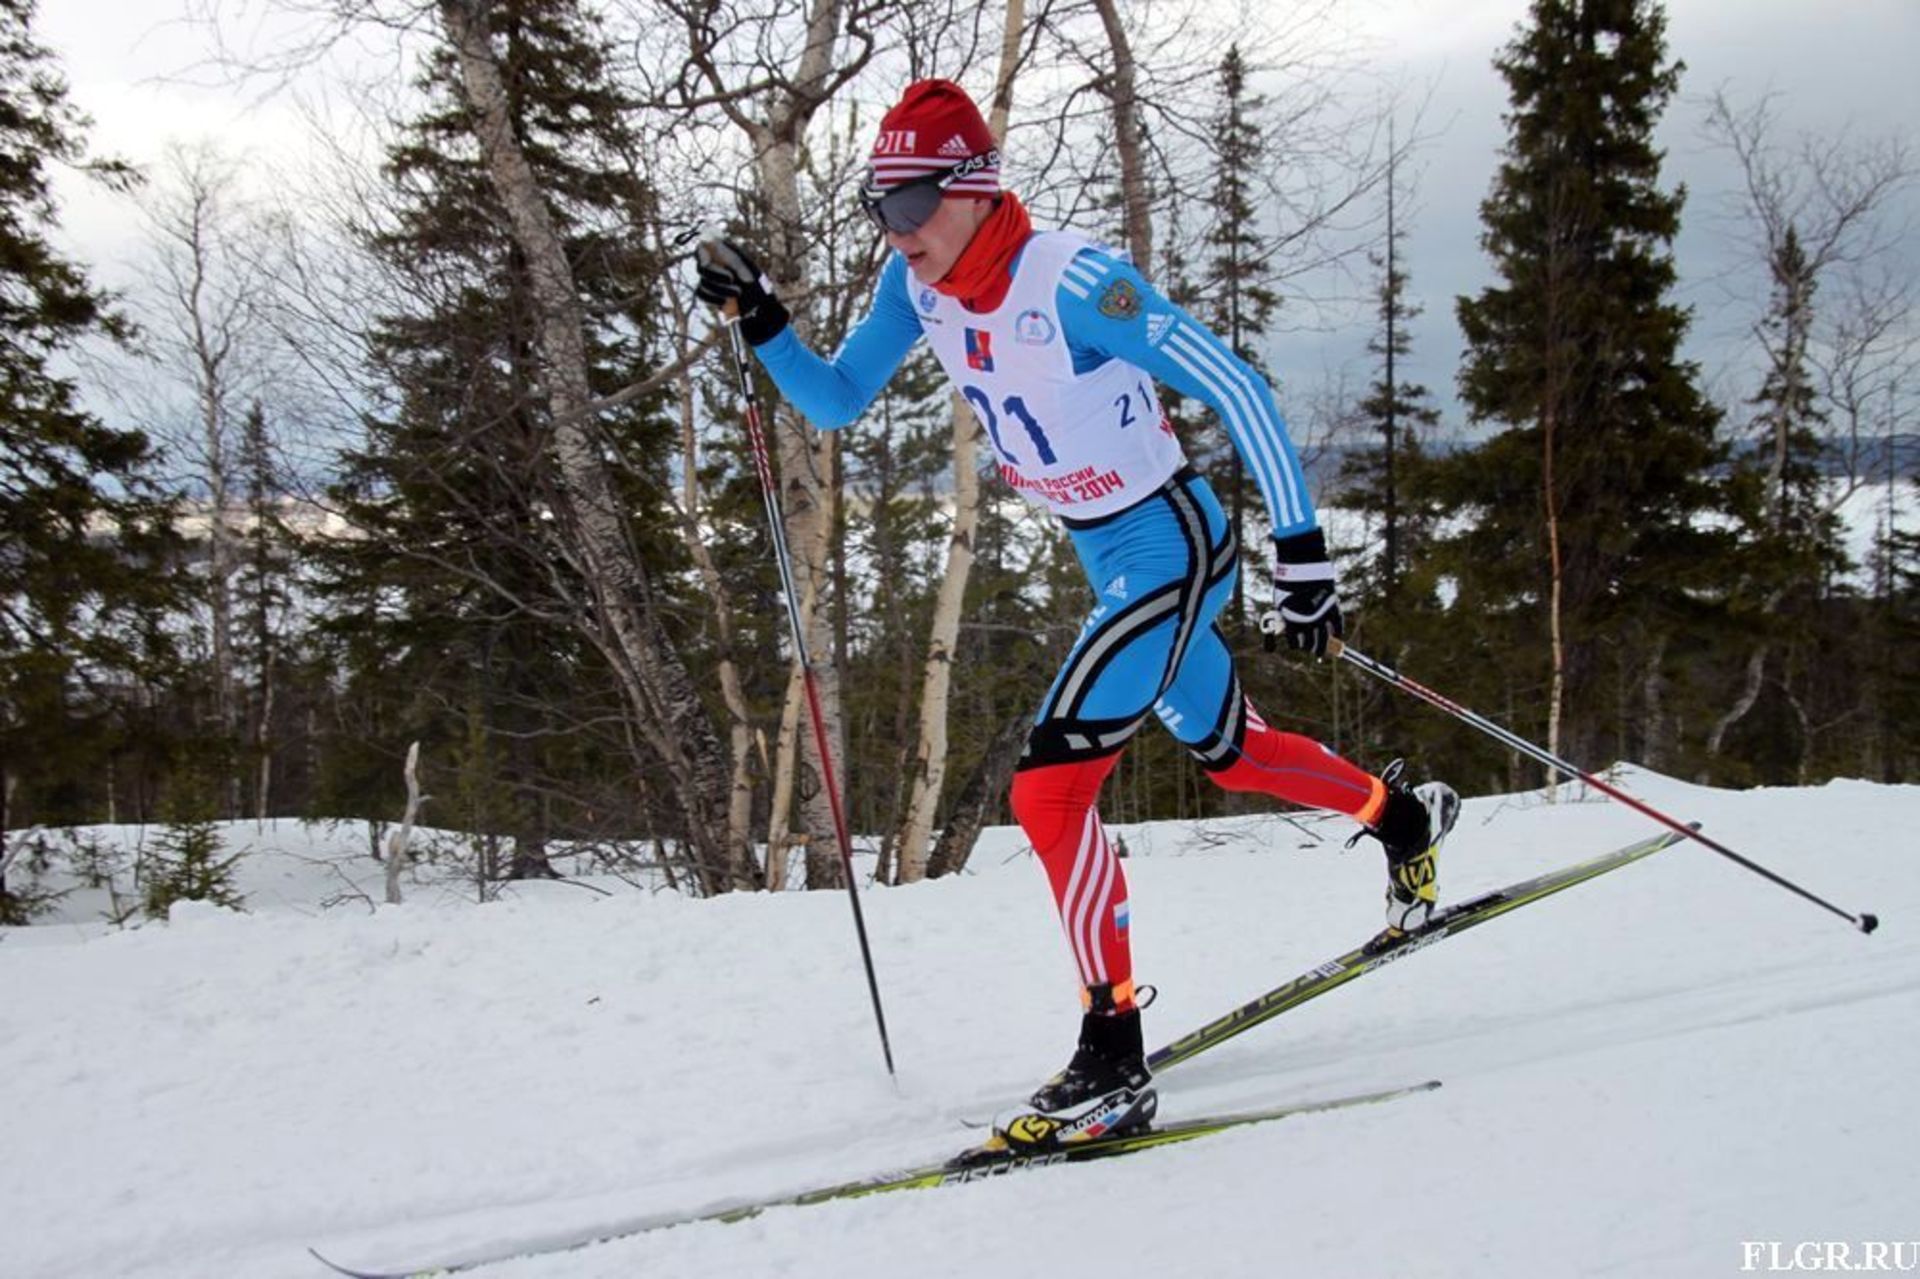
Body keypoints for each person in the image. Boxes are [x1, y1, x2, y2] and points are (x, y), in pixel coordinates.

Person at [694, 79, 1457, 1143]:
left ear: (974, 189)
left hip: (1173, 545)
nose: (896, 230)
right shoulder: (916, 287)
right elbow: (833, 398)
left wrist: (1301, 550)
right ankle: (1399, 813)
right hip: (1107, 554)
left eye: (913, 204)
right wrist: (764, 319)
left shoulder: (1076, 284)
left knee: (1050, 790)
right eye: (880, 205)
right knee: (1235, 755)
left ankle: (1112, 1053)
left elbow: (1237, 387)